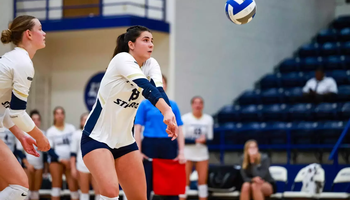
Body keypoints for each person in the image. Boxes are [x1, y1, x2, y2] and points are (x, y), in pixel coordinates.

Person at [81, 25, 178, 200]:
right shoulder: (121, 59)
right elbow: (146, 87)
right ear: (131, 44)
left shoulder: (151, 64)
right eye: (146, 40)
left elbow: (159, 90)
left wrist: (168, 113)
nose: (151, 45)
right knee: (111, 192)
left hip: (125, 142)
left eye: (152, 41)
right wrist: (166, 111)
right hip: (97, 138)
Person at [0, 15, 50, 200]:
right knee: (19, 187)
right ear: (28, 34)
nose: (44, 33)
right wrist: (39, 136)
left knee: (6, 186)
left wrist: (22, 136)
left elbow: (6, 112)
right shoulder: (22, 62)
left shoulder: (12, 59)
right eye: (40, 29)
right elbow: (18, 114)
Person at [134, 74, 185, 200]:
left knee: (170, 181)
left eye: (161, 83)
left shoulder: (173, 105)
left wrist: (182, 152)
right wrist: (138, 151)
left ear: (165, 86)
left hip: (169, 144)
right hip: (150, 144)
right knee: (147, 180)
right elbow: (137, 128)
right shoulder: (144, 105)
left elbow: (180, 129)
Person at [179, 96, 213, 200]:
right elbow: (182, 138)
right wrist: (195, 140)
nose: (198, 105)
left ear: (202, 105)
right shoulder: (185, 118)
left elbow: (211, 139)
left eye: (200, 103)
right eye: (195, 103)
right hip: (187, 154)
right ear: (192, 105)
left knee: (202, 183)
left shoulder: (208, 119)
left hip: (202, 154)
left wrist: (204, 140)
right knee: (184, 183)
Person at [46, 107, 79, 200]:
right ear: (54, 116)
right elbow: (49, 150)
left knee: (74, 188)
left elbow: (75, 145)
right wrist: (61, 159)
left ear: (64, 115)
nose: (59, 115)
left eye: (61, 113)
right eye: (57, 113)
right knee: (56, 188)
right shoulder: (50, 131)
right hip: (56, 161)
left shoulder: (71, 128)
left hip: (70, 161)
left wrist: (72, 161)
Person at [70, 113, 100, 200]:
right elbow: (73, 153)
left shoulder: (98, 134)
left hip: (96, 167)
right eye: (84, 120)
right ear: (81, 122)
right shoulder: (77, 134)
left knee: (99, 193)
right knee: (84, 193)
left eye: (88, 119)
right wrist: (73, 168)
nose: (86, 121)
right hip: (82, 166)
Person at [24, 110, 46, 200]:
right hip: (27, 165)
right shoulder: (24, 133)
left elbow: (46, 152)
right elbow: (19, 151)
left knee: (35, 193)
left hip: (39, 166)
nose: (36, 121)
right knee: (26, 192)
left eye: (38, 119)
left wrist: (46, 168)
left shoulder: (43, 133)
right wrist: (27, 164)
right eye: (33, 119)